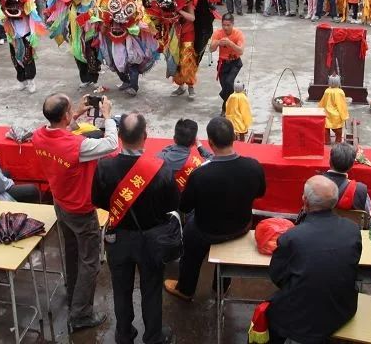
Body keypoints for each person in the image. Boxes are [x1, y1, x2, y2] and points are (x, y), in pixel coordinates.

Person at [33, 93, 119, 332]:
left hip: (60, 204)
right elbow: (111, 144)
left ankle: (73, 294)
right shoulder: (76, 146)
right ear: (65, 116)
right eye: (71, 109)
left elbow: (60, 132)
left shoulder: (39, 135)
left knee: (72, 253)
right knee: (90, 261)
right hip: (80, 209)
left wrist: (77, 113)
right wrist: (108, 116)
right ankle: (80, 314)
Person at [91, 113, 178, 344]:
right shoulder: (161, 169)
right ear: (146, 137)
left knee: (121, 289)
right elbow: (172, 206)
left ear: (118, 137)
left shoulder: (105, 167)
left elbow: (98, 200)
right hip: (151, 240)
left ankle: (124, 334)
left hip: (118, 238)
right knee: (151, 289)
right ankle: (153, 337)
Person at [164, 117, 266, 301]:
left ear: (210, 142)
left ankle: (186, 289)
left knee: (190, 237)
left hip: (206, 230)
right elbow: (260, 193)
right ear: (234, 137)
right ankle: (221, 287)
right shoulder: (254, 166)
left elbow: (185, 206)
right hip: (241, 226)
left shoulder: (200, 174)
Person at [265, 175, 360, 344]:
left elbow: (277, 276)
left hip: (303, 317)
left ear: (305, 201)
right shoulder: (352, 230)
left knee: (270, 315)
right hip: (342, 308)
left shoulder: (293, 237)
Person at [156, 118, 212, 191]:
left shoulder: (159, 158)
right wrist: (199, 145)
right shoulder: (199, 164)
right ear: (194, 142)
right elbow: (212, 158)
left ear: (174, 138)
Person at [209, 14, 245, 113]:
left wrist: (230, 43)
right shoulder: (218, 33)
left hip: (235, 63)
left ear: (232, 24)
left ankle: (225, 108)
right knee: (226, 86)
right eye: (224, 25)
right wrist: (217, 43)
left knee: (229, 83)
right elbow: (211, 49)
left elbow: (241, 51)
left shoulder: (238, 34)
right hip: (222, 64)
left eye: (228, 25)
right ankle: (238, 95)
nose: (225, 27)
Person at [324, 144, 371, 214]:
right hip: (351, 224)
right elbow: (366, 215)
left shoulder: (314, 184)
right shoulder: (360, 190)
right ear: (351, 165)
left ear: (329, 161)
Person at [319, 74, 349, 143]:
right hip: (337, 115)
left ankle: (327, 140)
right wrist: (344, 116)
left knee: (326, 128)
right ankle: (338, 141)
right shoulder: (340, 92)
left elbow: (323, 102)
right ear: (338, 82)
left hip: (327, 114)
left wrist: (319, 110)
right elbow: (342, 105)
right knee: (338, 130)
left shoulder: (327, 91)